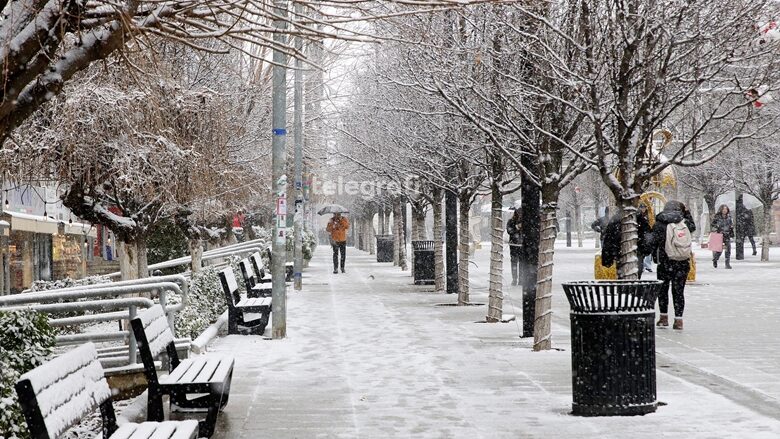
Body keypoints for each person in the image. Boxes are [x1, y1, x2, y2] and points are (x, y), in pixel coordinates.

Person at [645, 200, 695, 330]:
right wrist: (687, 213)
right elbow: (693, 228)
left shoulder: (659, 223)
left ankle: (663, 318)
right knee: (678, 291)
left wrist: (653, 255)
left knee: (663, 291)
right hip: (682, 262)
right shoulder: (684, 222)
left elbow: (652, 242)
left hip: (665, 262)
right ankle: (678, 320)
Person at [711, 204, 733, 269]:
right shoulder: (717, 217)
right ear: (721, 210)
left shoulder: (729, 217)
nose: (725, 210)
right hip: (719, 235)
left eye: (726, 209)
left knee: (728, 249)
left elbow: (731, 225)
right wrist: (717, 229)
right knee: (719, 250)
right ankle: (715, 259)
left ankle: (727, 263)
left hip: (727, 234)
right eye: (723, 209)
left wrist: (731, 229)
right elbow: (713, 225)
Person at [506, 208, 523, 286]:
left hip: (522, 245)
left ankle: (521, 280)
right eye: (518, 213)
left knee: (522, 262)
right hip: (514, 245)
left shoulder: (526, 221)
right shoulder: (511, 221)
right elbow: (509, 231)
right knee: (514, 262)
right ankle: (514, 279)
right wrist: (517, 227)